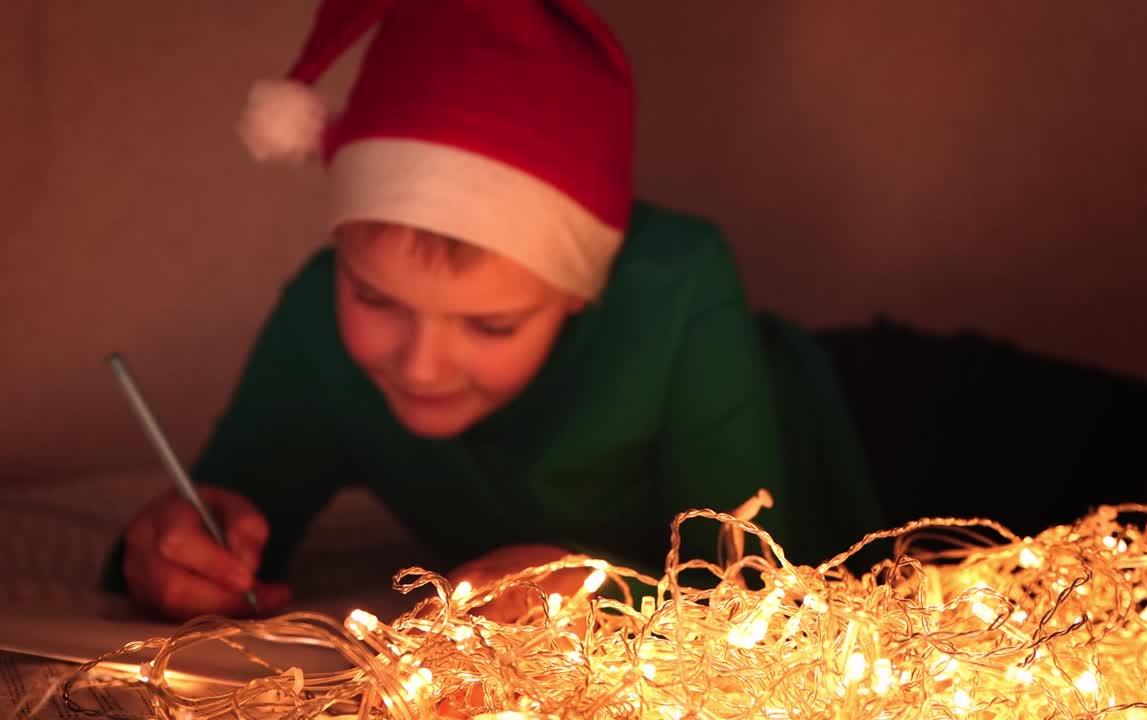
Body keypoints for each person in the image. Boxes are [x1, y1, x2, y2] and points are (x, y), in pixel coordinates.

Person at [100, 0, 883, 621]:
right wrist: (172, 553)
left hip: (887, 416)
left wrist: (593, 592)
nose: (420, 364)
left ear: (582, 291)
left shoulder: (678, 288)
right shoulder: (317, 319)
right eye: (373, 296)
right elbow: (228, 520)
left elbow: (750, 592)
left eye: (491, 324)